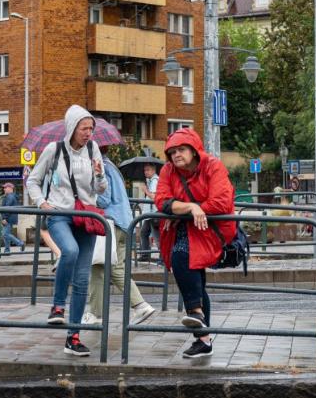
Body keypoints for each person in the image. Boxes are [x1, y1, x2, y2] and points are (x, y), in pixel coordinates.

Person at [26, 105, 108, 357]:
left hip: (87, 217)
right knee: (69, 251)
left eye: (91, 128)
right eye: (84, 128)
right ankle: (57, 306)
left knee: (82, 279)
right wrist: (42, 203)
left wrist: (98, 175)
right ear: (72, 127)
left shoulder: (94, 150)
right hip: (60, 214)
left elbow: (101, 190)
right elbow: (33, 181)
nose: (88, 133)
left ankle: (73, 337)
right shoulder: (54, 150)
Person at [155, 128, 235, 359]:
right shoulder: (168, 170)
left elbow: (221, 201)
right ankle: (203, 339)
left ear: (193, 150)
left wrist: (186, 210)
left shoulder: (212, 165)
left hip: (211, 228)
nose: (176, 155)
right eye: (172, 152)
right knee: (195, 279)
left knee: (182, 258)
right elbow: (162, 200)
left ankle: (196, 313)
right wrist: (191, 207)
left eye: (181, 149)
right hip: (186, 227)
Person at [82, 149, 155, 325]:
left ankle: (139, 305)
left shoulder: (101, 168)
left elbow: (104, 199)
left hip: (110, 222)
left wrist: (86, 198)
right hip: (122, 222)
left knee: (107, 267)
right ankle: (94, 313)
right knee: (100, 267)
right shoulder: (111, 166)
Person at [139, 163, 160, 262]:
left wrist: (145, 190)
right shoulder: (151, 181)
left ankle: (163, 258)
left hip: (154, 213)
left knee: (157, 236)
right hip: (149, 214)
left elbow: (154, 197)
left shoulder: (155, 181)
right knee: (144, 233)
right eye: (144, 170)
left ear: (153, 170)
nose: (145, 172)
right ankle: (145, 255)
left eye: (148, 170)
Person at [0, 182, 25, 253]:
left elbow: (7, 208)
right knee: (6, 234)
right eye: (4, 188)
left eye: (5, 187)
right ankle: (7, 250)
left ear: (11, 188)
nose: (4, 189)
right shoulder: (9, 196)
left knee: (5, 234)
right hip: (10, 218)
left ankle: (20, 243)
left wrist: (4, 218)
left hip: (8, 218)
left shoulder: (10, 196)